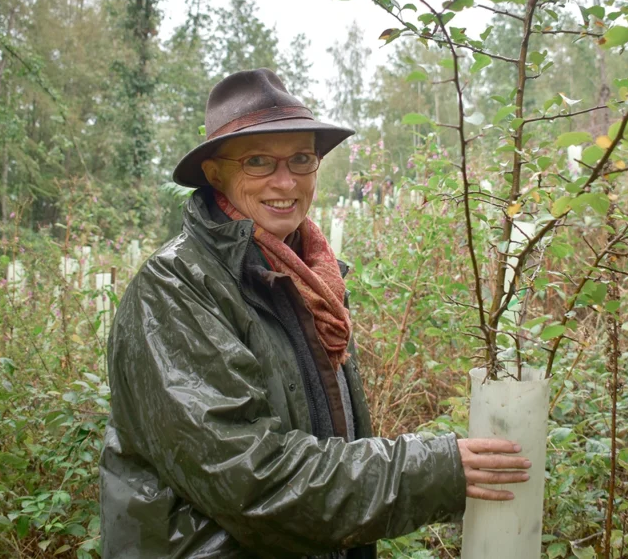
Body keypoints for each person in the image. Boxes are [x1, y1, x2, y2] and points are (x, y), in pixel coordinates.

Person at [99, 69, 530, 558]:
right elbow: (251, 481)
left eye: (302, 159)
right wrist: (432, 470)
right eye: (258, 162)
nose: (286, 181)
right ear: (215, 173)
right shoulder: (176, 289)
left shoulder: (309, 277)